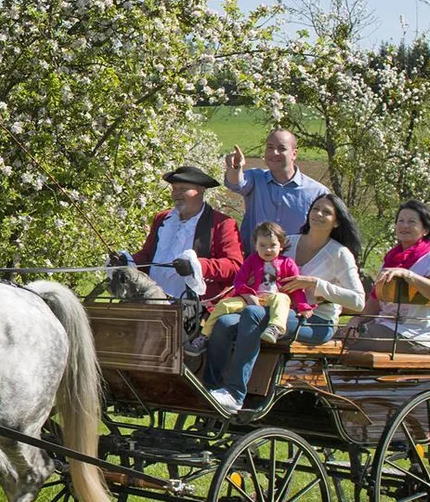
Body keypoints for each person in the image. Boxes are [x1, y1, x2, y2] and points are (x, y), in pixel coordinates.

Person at [192, 222, 308, 412]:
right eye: (262, 245)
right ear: (255, 245)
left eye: (272, 245)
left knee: (281, 298)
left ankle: (274, 328)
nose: (268, 250)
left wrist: (303, 306)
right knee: (223, 317)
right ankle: (210, 375)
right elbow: (239, 281)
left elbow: (297, 289)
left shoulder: (287, 263)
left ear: (281, 245)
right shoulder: (252, 261)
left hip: (273, 303)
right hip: (252, 298)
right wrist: (247, 294)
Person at [350, 200, 430, 353]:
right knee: (340, 336)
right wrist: (358, 319)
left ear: (425, 230)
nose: (404, 226)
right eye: (401, 221)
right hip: (383, 326)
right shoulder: (392, 258)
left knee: (342, 343)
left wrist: (409, 275)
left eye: (412, 222)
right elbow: (376, 300)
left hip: (412, 335)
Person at [130, 165, 245, 300]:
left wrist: (198, 266)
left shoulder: (222, 223)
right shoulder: (162, 219)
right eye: (174, 189)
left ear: (201, 190)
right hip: (151, 298)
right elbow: (147, 256)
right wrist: (129, 261)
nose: (176, 194)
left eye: (183, 189)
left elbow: (234, 266)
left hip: (196, 304)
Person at [223, 129, 328, 255]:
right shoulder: (256, 179)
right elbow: (236, 183)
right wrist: (235, 168)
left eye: (281, 148)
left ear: (294, 154)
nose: (274, 153)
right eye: (270, 147)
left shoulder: (317, 192)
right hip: (254, 267)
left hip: (296, 267)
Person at [282, 194, 369, 346]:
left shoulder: (339, 254)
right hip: (280, 308)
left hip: (318, 321)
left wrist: (315, 284)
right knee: (230, 322)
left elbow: (358, 301)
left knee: (260, 320)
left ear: (336, 222)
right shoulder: (287, 243)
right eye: (315, 209)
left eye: (327, 212)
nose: (319, 214)